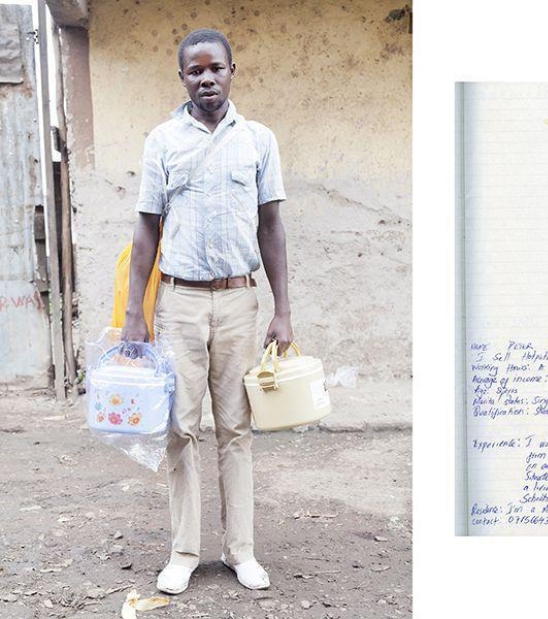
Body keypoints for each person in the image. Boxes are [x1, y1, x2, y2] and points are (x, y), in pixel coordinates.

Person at [121, 28, 293, 594]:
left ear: (232, 69)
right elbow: (147, 229)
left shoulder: (259, 141)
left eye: (215, 68)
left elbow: (271, 226)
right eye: (194, 71)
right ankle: (184, 552)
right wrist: (135, 313)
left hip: (240, 300)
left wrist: (282, 309)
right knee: (180, 428)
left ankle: (241, 551)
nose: (206, 79)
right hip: (181, 302)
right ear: (182, 79)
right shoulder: (163, 141)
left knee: (237, 429)